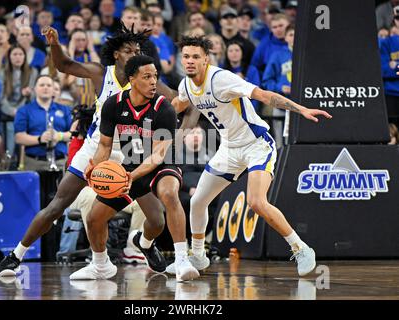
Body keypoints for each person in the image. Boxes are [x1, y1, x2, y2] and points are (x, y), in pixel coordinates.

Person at [0, 24, 174, 277]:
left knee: (157, 220)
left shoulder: (149, 82)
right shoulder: (102, 74)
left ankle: (143, 243)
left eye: (137, 50)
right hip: (96, 147)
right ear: (116, 54)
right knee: (56, 206)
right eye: (128, 50)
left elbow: (179, 100)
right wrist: (55, 45)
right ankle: (16, 255)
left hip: (131, 155)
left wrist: (191, 113)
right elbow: (65, 66)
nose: (134, 54)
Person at [169, 36, 332, 277]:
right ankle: (198, 255)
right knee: (197, 201)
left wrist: (301, 109)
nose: (190, 61)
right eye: (186, 56)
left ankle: (301, 248)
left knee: (256, 201)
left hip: (256, 144)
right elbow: (179, 103)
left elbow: (265, 96)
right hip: (229, 148)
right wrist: (150, 115)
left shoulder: (221, 79)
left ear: (206, 59)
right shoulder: (186, 84)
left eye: (195, 57)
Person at [69, 55, 199, 282]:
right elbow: (104, 146)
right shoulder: (113, 104)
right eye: (147, 77)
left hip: (162, 162)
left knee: (168, 193)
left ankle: (181, 260)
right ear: (132, 79)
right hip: (130, 164)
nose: (153, 82)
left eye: (155, 77)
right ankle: (101, 265)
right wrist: (95, 167)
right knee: (94, 218)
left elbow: (158, 155)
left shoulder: (164, 107)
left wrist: (132, 175)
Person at [13, 75, 72, 171]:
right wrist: (40, 139)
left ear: (53, 90)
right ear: (34, 89)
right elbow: (19, 137)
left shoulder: (65, 110)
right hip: (34, 163)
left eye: (49, 85)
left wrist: (59, 136)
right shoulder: (24, 110)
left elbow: (74, 134)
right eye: (42, 85)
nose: (45, 87)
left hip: (60, 163)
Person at [0, 44, 39, 155]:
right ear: (9, 57)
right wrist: (12, 111)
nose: (18, 57)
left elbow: (35, 96)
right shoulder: (3, 72)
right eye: (14, 54)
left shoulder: (32, 72)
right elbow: (1, 98)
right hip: (8, 114)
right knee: (10, 128)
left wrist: (29, 94)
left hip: (26, 110)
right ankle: (9, 159)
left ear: (25, 57)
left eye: (20, 54)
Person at [262, 25, 295, 147]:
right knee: (279, 144)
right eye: (291, 34)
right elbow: (266, 81)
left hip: (301, 106)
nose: (294, 38)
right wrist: (280, 87)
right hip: (280, 105)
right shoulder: (277, 55)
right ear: (285, 37)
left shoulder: (306, 55)